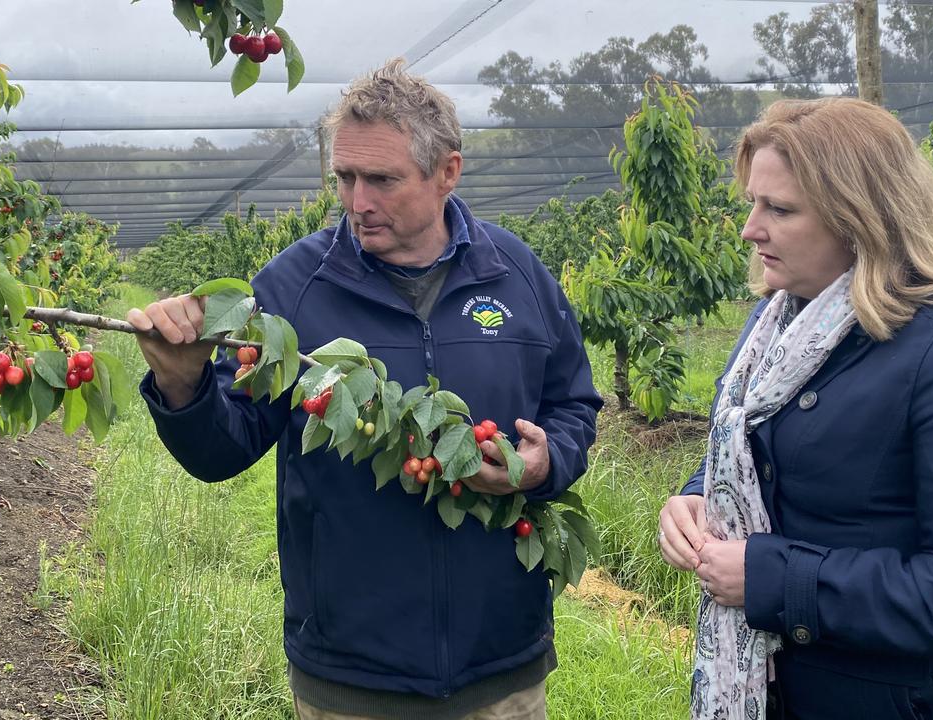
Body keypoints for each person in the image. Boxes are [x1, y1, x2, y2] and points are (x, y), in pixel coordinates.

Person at [126, 58, 601, 720]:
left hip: (501, 665)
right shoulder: (293, 289)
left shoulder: (515, 274)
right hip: (352, 674)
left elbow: (573, 403)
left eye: (381, 179)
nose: (356, 202)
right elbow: (221, 451)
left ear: (447, 174)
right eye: (344, 178)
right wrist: (184, 389)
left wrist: (547, 461)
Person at [658, 97, 933, 720]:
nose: (750, 228)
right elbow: (757, 447)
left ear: (859, 218)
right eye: (752, 203)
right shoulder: (778, 324)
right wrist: (699, 495)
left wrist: (774, 579)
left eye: (780, 209)